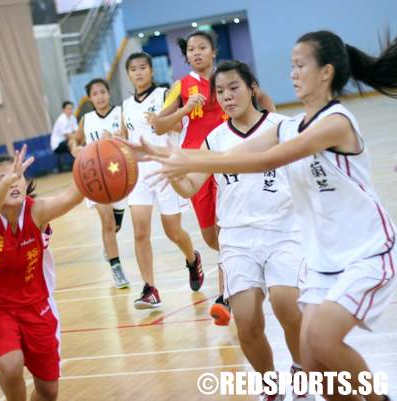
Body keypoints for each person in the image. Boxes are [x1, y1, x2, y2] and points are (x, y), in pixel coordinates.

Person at [147, 31, 397, 401]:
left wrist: (186, 157)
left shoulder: (336, 122)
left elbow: (263, 161)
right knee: (313, 362)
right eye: (291, 66)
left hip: (365, 251)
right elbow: (236, 155)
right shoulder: (287, 126)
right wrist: (167, 156)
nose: (292, 73)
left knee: (321, 338)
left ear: (326, 72)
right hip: (322, 259)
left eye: (300, 65)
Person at [132, 60, 309, 400]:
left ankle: (300, 369)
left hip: (284, 231)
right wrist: (173, 173)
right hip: (238, 238)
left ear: (252, 88)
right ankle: (270, 385)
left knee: (288, 305)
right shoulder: (213, 139)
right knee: (246, 321)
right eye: (220, 92)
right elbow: (191, 184)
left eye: (234, 88)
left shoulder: (280, 126)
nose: (227, 96)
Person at [152, 30, 276, 325]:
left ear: (213, 52)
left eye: (202, 47)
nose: (195, 53)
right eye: (191, 49)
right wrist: (185, 107)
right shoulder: (180, 86)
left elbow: (264, 102)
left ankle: (227, 294)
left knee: (226, 229)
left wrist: (274, 127)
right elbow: (158, 126)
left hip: (227, 158)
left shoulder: (228, 80)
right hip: (195, 165)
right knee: (211, 237)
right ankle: (243, 270)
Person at [0, 145, 84, 401]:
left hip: (36, 303)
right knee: (11, 365)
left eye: (18, 175)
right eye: (4, 179)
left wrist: (85, 162)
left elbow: (73, 197)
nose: (13, 182)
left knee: (48, 391)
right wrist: (7, 180)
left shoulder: (37, 211)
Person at [120, 52, 202, 309]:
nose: (139, 72)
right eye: (133, 69)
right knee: (140, 232)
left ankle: (192, 258)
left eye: (143, 67)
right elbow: (126, 137)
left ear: (151, 70)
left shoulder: (165, 94)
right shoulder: (126, 105)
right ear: (129, 74)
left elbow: (180, 127)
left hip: (167, 169)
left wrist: (162, 121)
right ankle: (149, 288)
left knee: (173, 232)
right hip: (139, 174)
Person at [70, 78, 130, 289]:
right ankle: (117, 268)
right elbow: (75, 140)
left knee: (116, 225)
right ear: (90, 98)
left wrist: (120, 137)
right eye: (95, 93)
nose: (100, 96)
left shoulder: (120, 114)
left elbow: (129, 138)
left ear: (109, 93)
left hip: (119, 176)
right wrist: (75, 149)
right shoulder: (86, 119)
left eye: (103, 92)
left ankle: (109, 246)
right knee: (107, 223)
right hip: (95, 177)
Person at [50, 101, 77, 172]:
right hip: (57, 145)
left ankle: (78, 162)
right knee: (72, 142)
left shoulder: (73, 117)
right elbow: (67, 135)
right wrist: (77, 138)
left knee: (75, 141)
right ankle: (77, 163)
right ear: (63, 110)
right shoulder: (62, 119)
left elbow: (76, 131)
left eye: (71, 108)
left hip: (66, 142)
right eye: (68, 109)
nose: (70, 110)